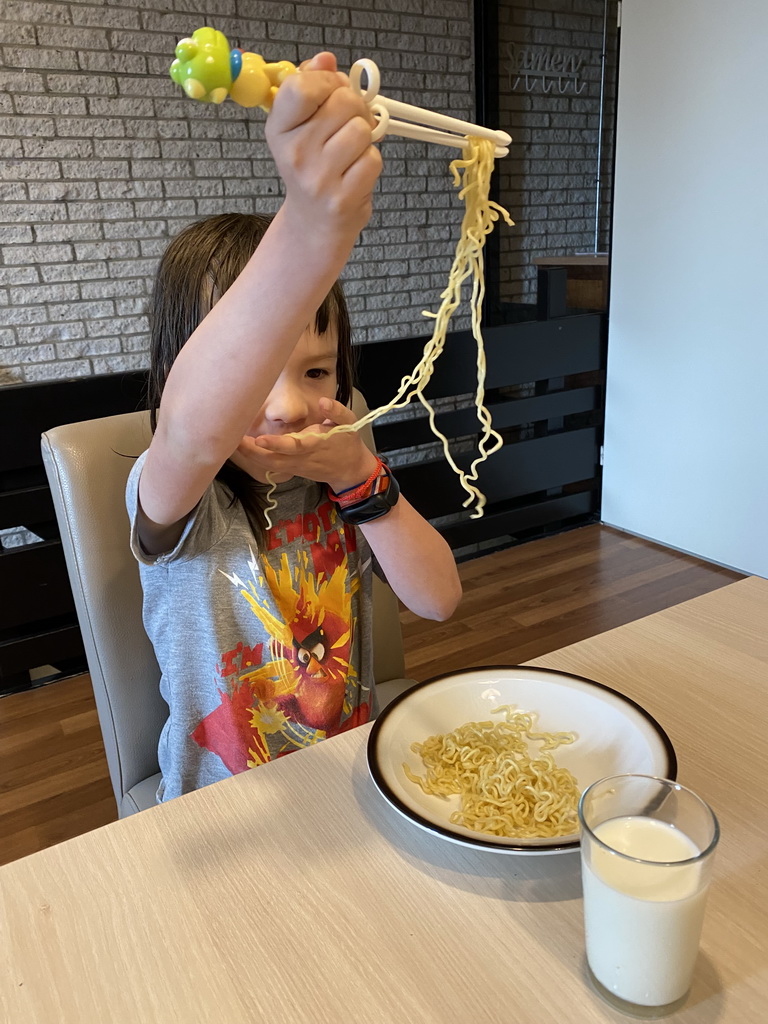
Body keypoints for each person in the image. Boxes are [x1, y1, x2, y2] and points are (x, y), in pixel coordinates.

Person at [126, 52, 462, 802]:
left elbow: (439, 599)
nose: (285, 406)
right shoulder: (176, 493)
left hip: (349, 778)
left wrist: (359, 478)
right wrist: (311, 227)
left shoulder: (340, 463)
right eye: (256, 374)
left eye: (315, 372)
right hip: (216, 805)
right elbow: (191, 430)